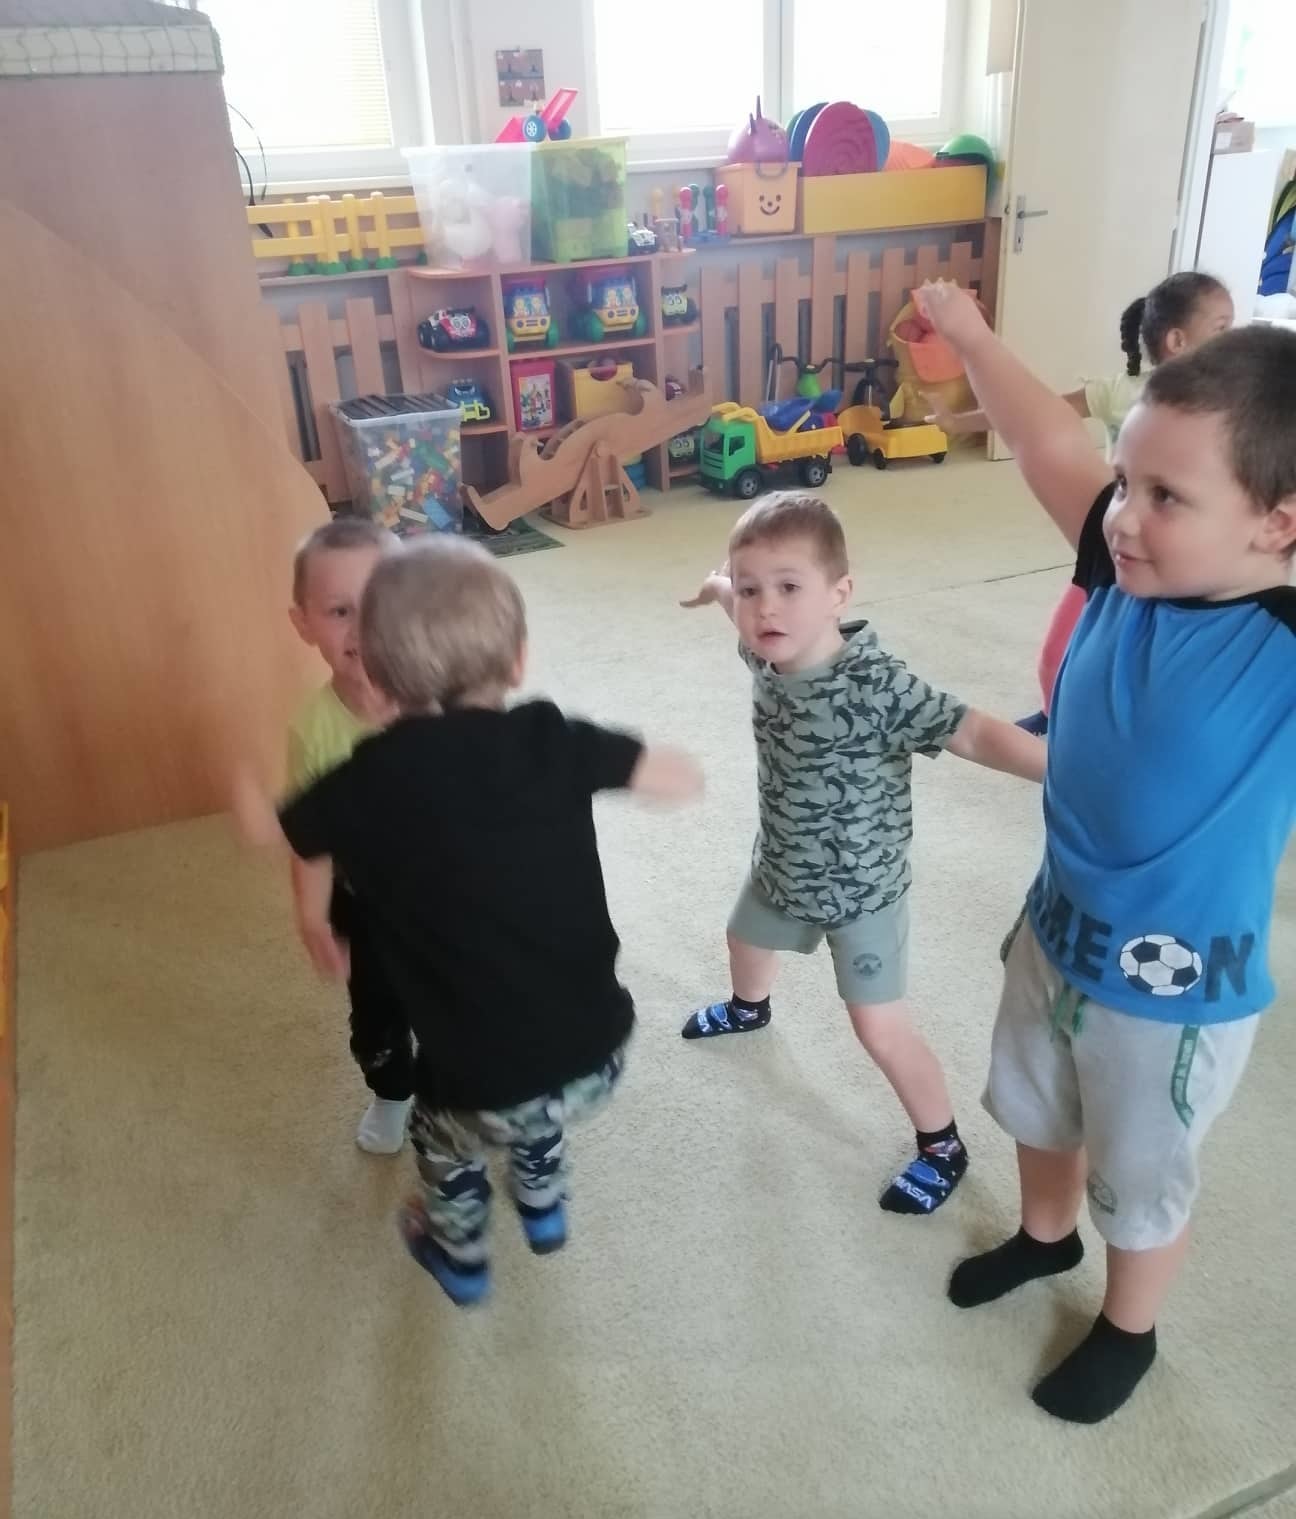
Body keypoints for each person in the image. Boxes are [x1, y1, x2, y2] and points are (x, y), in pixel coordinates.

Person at [915, 279, 1296, 1424]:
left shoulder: (1280, 646)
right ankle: (1046, 1238)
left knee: (1139, 1176)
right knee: (1037, 1109)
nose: (1125, 515)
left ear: (1278, 523)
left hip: (1172, 997)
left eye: (1167, 496)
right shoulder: (1124, 565)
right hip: (1056, 928)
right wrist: (971, 334)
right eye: (1128, 481)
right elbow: (1045, 439)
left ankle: (1130, 1327)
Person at [240, 538, 702, 1306]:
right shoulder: (549, 738)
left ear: (379, 677)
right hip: (602, 1056)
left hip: (478, 1088)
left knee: (443, 1142)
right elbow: (665, 773)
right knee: (536, 1099)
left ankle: (459, 1254)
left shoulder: (368, 777)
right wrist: (672, 775)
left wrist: (260, 823)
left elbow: (289, 832)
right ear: (517, 662)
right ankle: (543, 1203)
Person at [679, 493, 1046, 1218]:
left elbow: (973, 732)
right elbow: (730, 598)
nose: (765, 607)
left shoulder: (877, 686)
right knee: (743, 939)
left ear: (839, 594)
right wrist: (718, 587)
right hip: (781, 863)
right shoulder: (765, 649)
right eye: (753, 590)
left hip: (863, 891)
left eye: (789, 587)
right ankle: (750, 1008)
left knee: (878, 1027)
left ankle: (942, 1145)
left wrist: (1069, 772)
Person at [932, 272, 1234, 735]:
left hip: (1184, 561)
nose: (1232, 339)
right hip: (1111, 541)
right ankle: (1054, 715)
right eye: (1221, 327)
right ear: (1177, 340)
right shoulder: (1123, 392)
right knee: (1060, 653)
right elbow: (1035, 414)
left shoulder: (1235, 410)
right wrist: (958, 419)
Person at [287, 517, 413, 1156]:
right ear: (303, 623)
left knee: (471, 999)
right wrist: (313, 916)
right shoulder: (313, 729)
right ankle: (392, 1091)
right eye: (340, 611)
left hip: (454, 895)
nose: (363, 629)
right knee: (377, 1013)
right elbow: (309, 835)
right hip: (364, 904)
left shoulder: (444, 697)